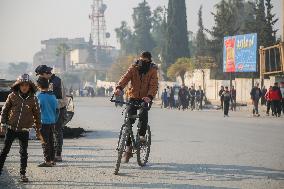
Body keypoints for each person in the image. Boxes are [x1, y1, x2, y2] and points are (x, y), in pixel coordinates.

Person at [114, 51, 158, 163]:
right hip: (132, 97)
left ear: (149, 61)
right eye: (142, 61)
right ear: (139, 59)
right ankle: (128, 148)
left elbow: (154, 85)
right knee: (129, 120)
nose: (143, 63)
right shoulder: (133, 68)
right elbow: (125, 78)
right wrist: (119, 87)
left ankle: (142, 136)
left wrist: (149, 96)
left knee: (143, 115)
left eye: (146, 61)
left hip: (145, 98)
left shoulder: (152, 70)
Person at [0, 74, 41, 182]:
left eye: (26, 85)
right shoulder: (12, 96)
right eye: (22, 84)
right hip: (11, 128)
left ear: (29, 86)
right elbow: (4, 111)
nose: (24, 87)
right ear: (18, 85)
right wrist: (2, 124)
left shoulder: (33, 99)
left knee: (23, 153)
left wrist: (38, 128)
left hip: (24, 130)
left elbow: (37, 115)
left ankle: (23, 174)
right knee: (4, 151)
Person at [35, 65, 67, 162]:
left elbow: (60, 99)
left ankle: (58, 154)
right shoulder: (46, 81)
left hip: (58, 109)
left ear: (45, 73)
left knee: (57, 131)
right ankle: (50, 156)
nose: (39, 77)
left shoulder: (56, 81)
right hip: (49, 109)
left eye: (40, 75)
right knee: (49, 134)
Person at [36, 77, 58, 167]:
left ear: (38, 86)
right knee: (51, 141)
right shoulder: (53, 96)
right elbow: (57, 110)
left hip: (43, 123)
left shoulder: (39, 96)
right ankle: (52, 160)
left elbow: (37, 111)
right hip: (52, 122)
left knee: (45, 142)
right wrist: (54, 120)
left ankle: (47, 161)